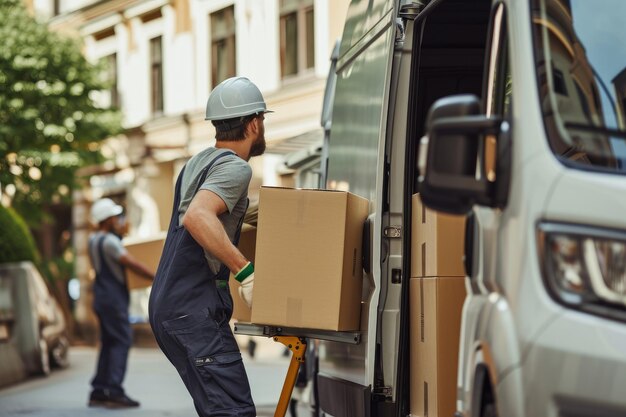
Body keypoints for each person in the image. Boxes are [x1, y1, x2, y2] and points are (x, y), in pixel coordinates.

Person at [148, 76, 268, 417]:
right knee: (234, 412)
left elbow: (199, 207)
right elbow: (198, 217)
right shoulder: (236, 167)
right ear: (255, 124)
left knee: (219, 409)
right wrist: (246, 272)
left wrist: (255, 208)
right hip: (192, 308)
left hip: (170, 306)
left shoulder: (197, 162)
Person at [87, 198, 155, 408]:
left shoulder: (93, 240)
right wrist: (156, 276)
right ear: (106, 219)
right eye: (115, 217)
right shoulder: (110, 242)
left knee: (108, 341)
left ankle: (99, 390)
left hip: (100, 295)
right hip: (113, 297)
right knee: (122, 340)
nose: (118, 220)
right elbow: (131, 263)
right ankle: (114, 391)